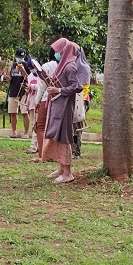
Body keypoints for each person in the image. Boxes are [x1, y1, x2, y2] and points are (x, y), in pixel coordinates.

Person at [42, 38, 84, 184]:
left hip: (65, 108)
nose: (56, 54)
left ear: (65, 51)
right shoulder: (63, 65)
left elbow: (77, 87)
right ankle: (61, 168)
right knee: (58, 136)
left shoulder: (70, 67)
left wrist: (58, 90)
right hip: (58, 106)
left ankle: (67, 173)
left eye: (58, 51)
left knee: (64, 138)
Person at [5, 48, 30, 139]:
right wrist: (8, 78)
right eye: (18, 57)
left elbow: (29, 79)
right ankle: (14, 132)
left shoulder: (27, 65)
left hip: (24, 92)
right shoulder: (13, 65)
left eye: (21, 57)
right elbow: (11, 78)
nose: (20, 59)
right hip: (13, 91)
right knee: (13, 113)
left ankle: (26, 132)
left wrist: (23, 70)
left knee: (24, 112)